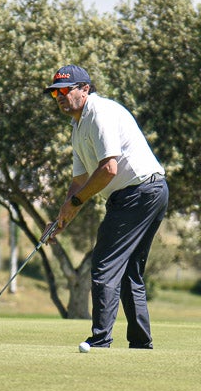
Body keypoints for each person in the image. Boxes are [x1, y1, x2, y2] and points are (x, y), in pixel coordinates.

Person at [45, 64, 169, 349]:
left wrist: (76, 202)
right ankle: (140, 341)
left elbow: (109, 169)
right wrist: (63, 217)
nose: (60, 97)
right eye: (55, 94)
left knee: (104, 263)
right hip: (146, 192)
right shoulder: (77, 127)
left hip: (140, 191)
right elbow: (79, 181)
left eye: (65, 90)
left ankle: (101, 338)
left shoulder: (99, 113)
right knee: (129, 271)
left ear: (85, 89)